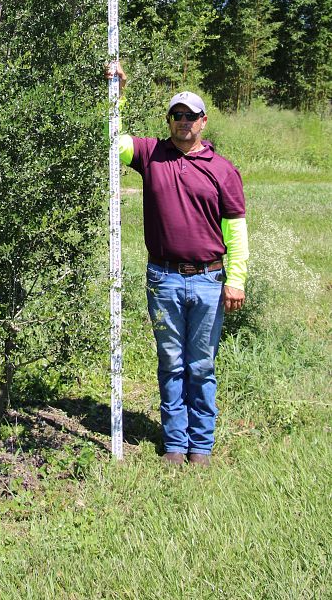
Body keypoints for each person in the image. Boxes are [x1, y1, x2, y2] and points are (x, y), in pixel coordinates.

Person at [108, 63, 249, 466]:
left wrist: (235, 279)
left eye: (190, 116)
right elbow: (112, 141)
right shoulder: (152, 154)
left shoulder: (223, 170)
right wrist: (118, 92)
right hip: (163, 278)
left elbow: (236, 230)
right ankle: (174, 443)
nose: (183, 122)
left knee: (201, 365)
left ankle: (201, 446)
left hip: (208, 280)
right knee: (170, 361)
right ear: (169, 121)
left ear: (203, 122)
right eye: (177, 115)